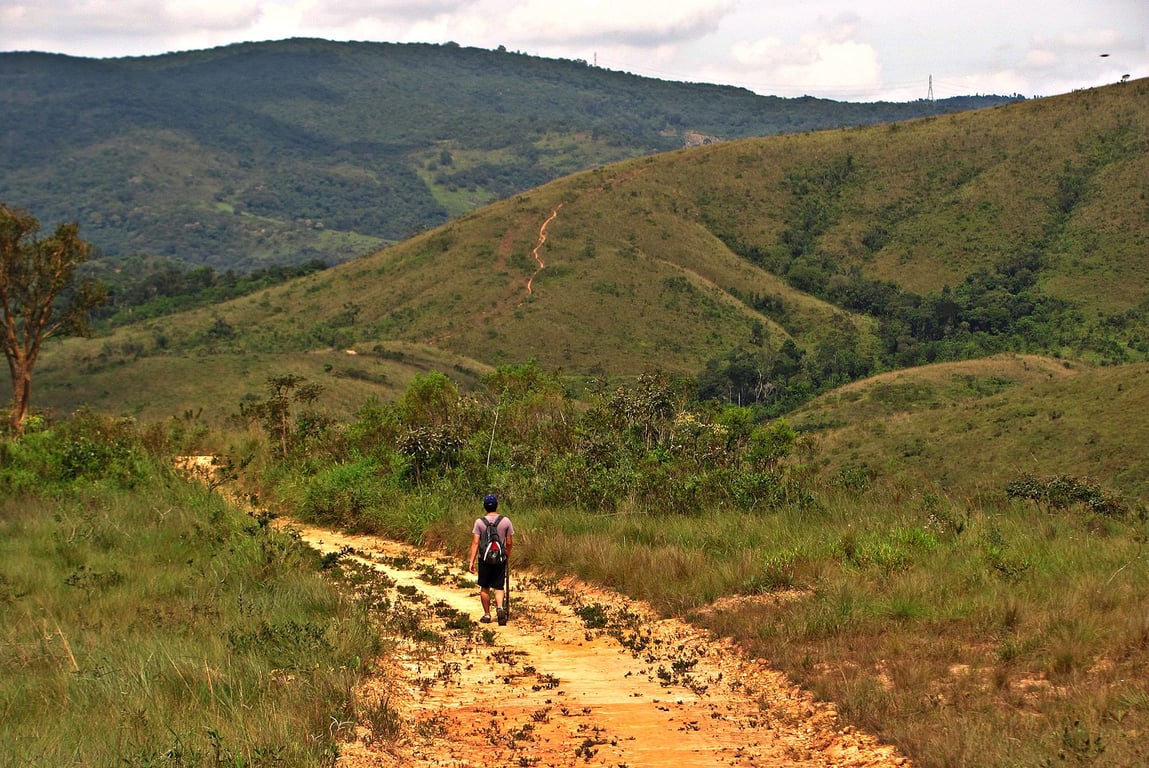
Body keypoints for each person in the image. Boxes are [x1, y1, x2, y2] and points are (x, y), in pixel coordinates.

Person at [468, 493, 514, 625]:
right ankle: (500, 608)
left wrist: (471, 561)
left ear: (484, 506)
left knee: (485, 587)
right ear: (497, 505)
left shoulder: (479, 522)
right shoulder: (506, 521)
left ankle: (487, 615)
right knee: (499, 586)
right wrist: (506, 555)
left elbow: (476, 542)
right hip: (499, 558)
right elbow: (509, 542)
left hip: (484, 559)